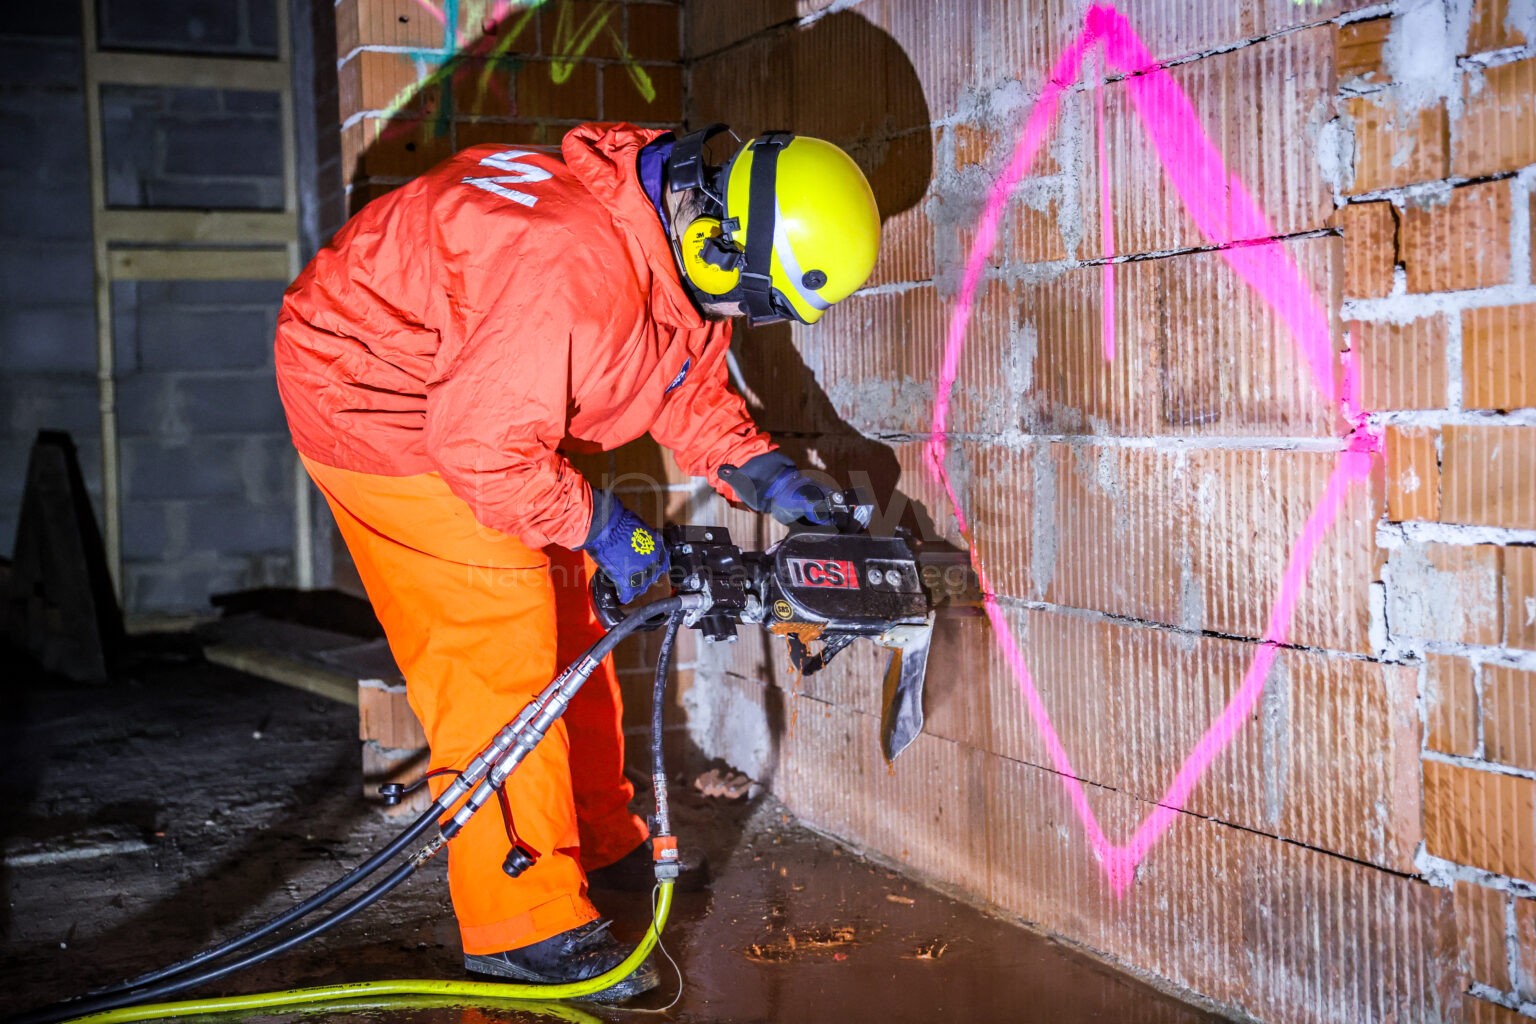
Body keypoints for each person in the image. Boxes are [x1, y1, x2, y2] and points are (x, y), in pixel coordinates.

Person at [273, 121, 881, 1002]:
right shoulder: (568, 270)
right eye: (753, 299)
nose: (748, 318)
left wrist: (776, 481)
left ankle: (598, 833)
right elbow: (481, 451)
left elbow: (681, 375)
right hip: (375, 402)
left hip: (473, 395)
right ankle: (522, 921)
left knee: (572, 620)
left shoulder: (665, 229)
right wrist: (604, 527)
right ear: (719, 241)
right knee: (499, 646)